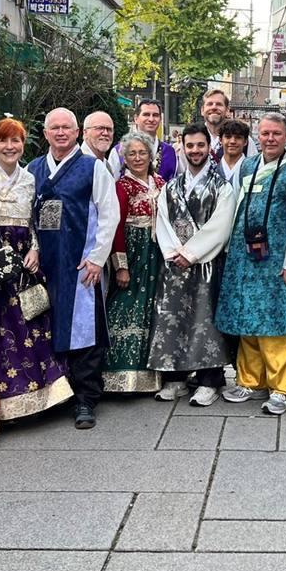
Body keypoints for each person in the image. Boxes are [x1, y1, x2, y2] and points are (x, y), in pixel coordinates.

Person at [0, 118, 72, 420]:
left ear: (23, 143)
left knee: (30, 324)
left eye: (15, 141)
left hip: (23, 260)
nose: (9, 147)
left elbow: (38, 220)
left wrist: (36, 248)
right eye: (3, 141)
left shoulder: (31, 176)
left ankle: (38, 400)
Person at [216, 113, 286, 416]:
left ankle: (283, 388)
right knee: (248, 320)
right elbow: (232, 209)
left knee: (278, 324)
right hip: (245, 259)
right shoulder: (247, 166)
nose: (270, 139)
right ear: (256, 138)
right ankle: (250, 379)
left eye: (276, 133)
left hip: (277, 259)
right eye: (264, 134)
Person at [27, 108, 119, 430]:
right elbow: (25, 216)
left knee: (85, 331)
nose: (61, 132)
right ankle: (52, 395)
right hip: (42, 264)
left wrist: (97, 258)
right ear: (46, 133)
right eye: (55, 127)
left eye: (67, 127)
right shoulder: (33, 168)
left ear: (78, 132)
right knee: (44, 327)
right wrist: (32, 248)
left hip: (79, 264)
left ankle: (85, 399)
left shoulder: (92, 168)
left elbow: (110, 215)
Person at [149, 122, 236, 406]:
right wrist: (174, 251)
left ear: (209, 148)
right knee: (173, 318)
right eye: (190, 146)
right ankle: (177, 378)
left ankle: (209, 380)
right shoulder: (171, 187)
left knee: (205, 319)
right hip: (175, 264)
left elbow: (221, 226)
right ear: (182, 148)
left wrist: (193, 253)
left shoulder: (222, 187)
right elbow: (161, 221)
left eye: (200, 145)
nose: (195, 150)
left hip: (205, 263)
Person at [103, 131, 165, 393]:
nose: (138, 158)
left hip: (158, 254)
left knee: (154, 310)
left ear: (151, 155)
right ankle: (119, 374)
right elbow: (115, 228)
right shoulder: (121, 186)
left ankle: (152, 375)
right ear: (124, 158)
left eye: (142, 153)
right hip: (133, 253)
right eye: (132, 154)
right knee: (126, 306)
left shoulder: (162, 182)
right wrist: (122, 266)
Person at [109, 100, 177, 181]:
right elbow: (110, 187)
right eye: (146, 114)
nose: (151, 119)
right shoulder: (119, 151)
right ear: (136, 118)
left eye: (155, 115)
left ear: (160, 119)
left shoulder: (170, 152)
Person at [201, 89, 255, 160]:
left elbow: (254, 167)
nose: (214, 107)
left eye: (219, 104)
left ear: (227, 110)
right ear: (202, 110)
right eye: (210, 104)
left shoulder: (244, 140)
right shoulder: (193, 137)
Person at [216, 118, 251, 189]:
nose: (232, 141)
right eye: (228, 137)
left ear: (245, 142)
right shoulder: (213, 170)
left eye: (238, 137)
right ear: (220, 140)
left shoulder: (253, 171)